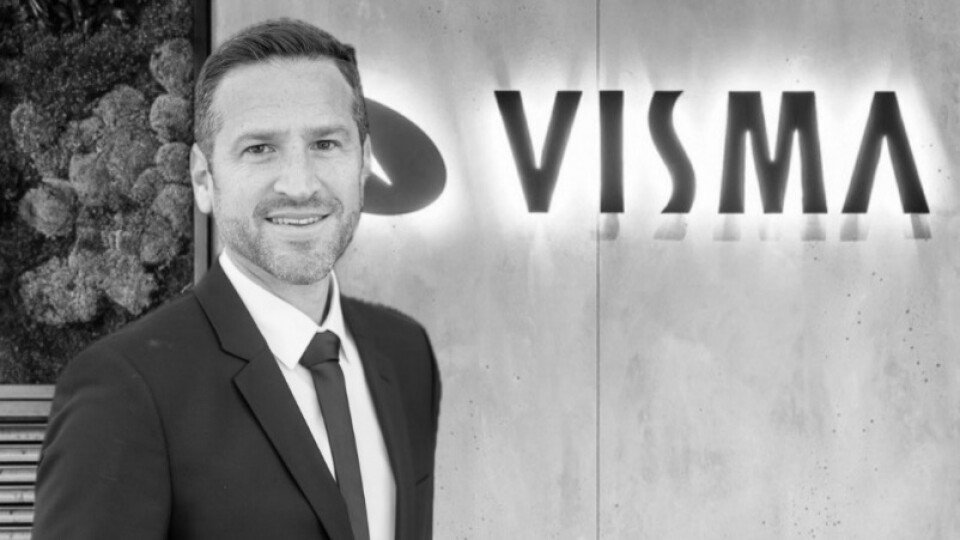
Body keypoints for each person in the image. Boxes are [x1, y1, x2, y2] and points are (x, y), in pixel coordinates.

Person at [33, 19, 441, 540]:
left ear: (363, 163)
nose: (300, 185)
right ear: (204, 178)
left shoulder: (406, 356)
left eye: (325, 143)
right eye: (260, 148)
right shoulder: (124, 390)